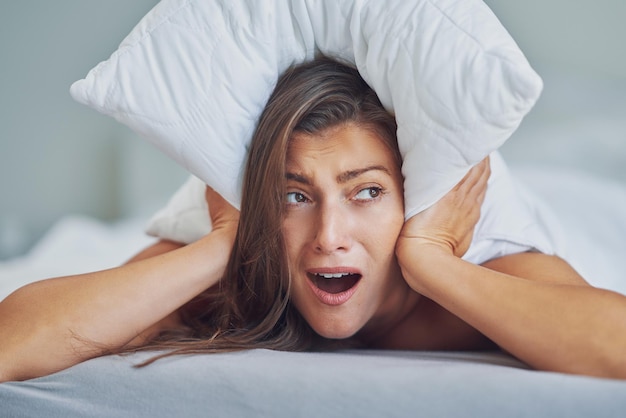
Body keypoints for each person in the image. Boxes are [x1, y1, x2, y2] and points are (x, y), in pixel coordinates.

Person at [1, 58, 625, 383]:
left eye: (367, 192)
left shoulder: (491, 265)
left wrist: (432, 262)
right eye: (294, 196)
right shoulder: (238, 274)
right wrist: (222, 243)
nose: (329, 236)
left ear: (415, 197)